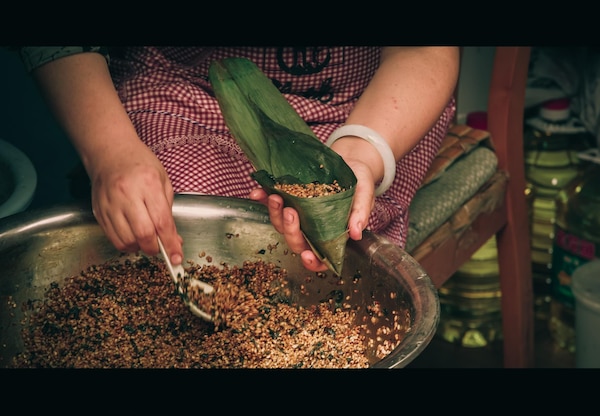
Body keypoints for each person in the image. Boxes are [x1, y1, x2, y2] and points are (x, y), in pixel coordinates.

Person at [18, 46, 459, 272]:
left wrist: (358, 154)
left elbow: (423, 51)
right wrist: (109, 150)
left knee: (323, 248)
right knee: (178, 223)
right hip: (183, 88)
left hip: (367, 104)